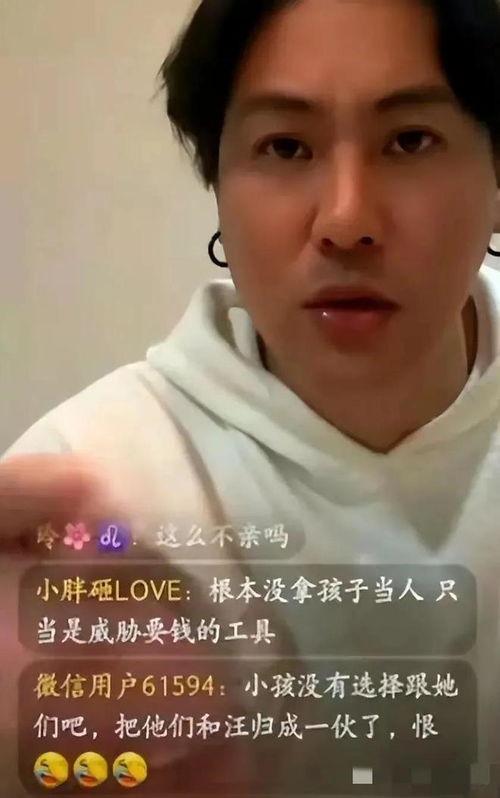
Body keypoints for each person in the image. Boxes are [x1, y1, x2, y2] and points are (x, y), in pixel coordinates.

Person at [3, 0, 500, 792]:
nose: (346, 220)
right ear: (218, 187)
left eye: (410, 140)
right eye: (285, 146)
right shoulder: (91, 485)